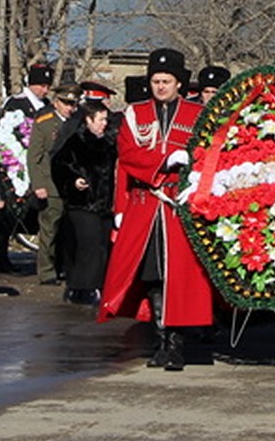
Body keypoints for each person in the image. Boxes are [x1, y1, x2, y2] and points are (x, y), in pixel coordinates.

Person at [100, 48, 216, 370]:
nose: (160, 87)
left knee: (178, 276)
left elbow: (209, 156)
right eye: (155, 80)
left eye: (166, 81)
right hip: (146, 207)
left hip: (180, 208)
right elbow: (129, 153)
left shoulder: (197, 115)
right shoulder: (135, 114)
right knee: (152, 276)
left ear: (179, 83)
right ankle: (161, 340)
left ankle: (177, 344)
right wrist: (164, 161)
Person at [50, 99, 116, 305]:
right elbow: (60, 165)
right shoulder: (76, 141)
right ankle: (83, 286)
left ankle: (93, 285)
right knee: (88, 244)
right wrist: (73, 180)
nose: (104, 123)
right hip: (82, 204)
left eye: (106, 119)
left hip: (104, 205)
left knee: (102, 245)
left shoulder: (109, 143)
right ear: (88, 120)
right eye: (100, 119)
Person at [25, 84, 80, 285]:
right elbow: (35, 156)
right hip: (51, 184)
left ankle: (64, 266)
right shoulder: (45, 122)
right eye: (66, 103)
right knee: (50, 229)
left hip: (71, 186)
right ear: (56, 102)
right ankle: (47, 271)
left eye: (73, 103)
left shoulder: (78, 121)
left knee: (69, 230)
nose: (69, 107)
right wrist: (38, 184)